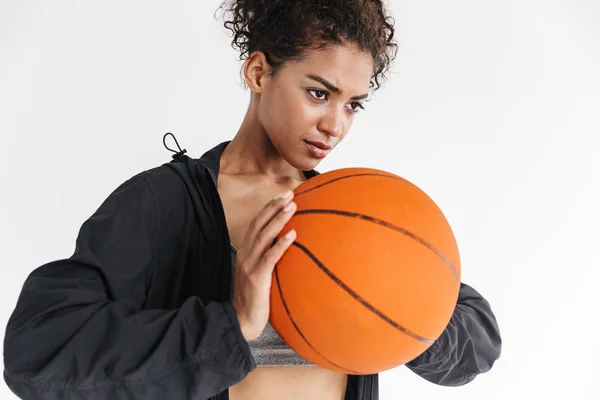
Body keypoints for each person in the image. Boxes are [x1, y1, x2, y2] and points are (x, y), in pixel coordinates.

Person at [3, 1, 502, 399]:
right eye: (318, 93)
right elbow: (36, 352)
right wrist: (232, 325)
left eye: (353, 104)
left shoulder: (354, 214)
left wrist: (394, 317)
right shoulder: (166, 205)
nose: (336, 125)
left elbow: (478, 339)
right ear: (260, 73)